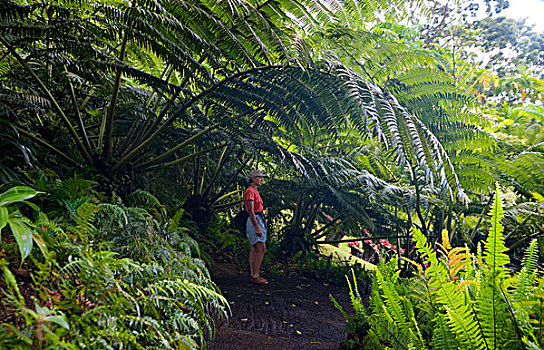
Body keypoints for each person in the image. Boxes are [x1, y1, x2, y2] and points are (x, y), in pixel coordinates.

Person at [245, 169, 269, 285]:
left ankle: (253, 274)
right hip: (255, 220)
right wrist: (257, 227)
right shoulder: (250, 191)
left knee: (254, 248)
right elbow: (251, 211)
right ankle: (255, 275)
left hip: (258, 219)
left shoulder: (254, 191)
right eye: (259, 177)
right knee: (261, 248)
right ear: (253, 179)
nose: (261, 179)